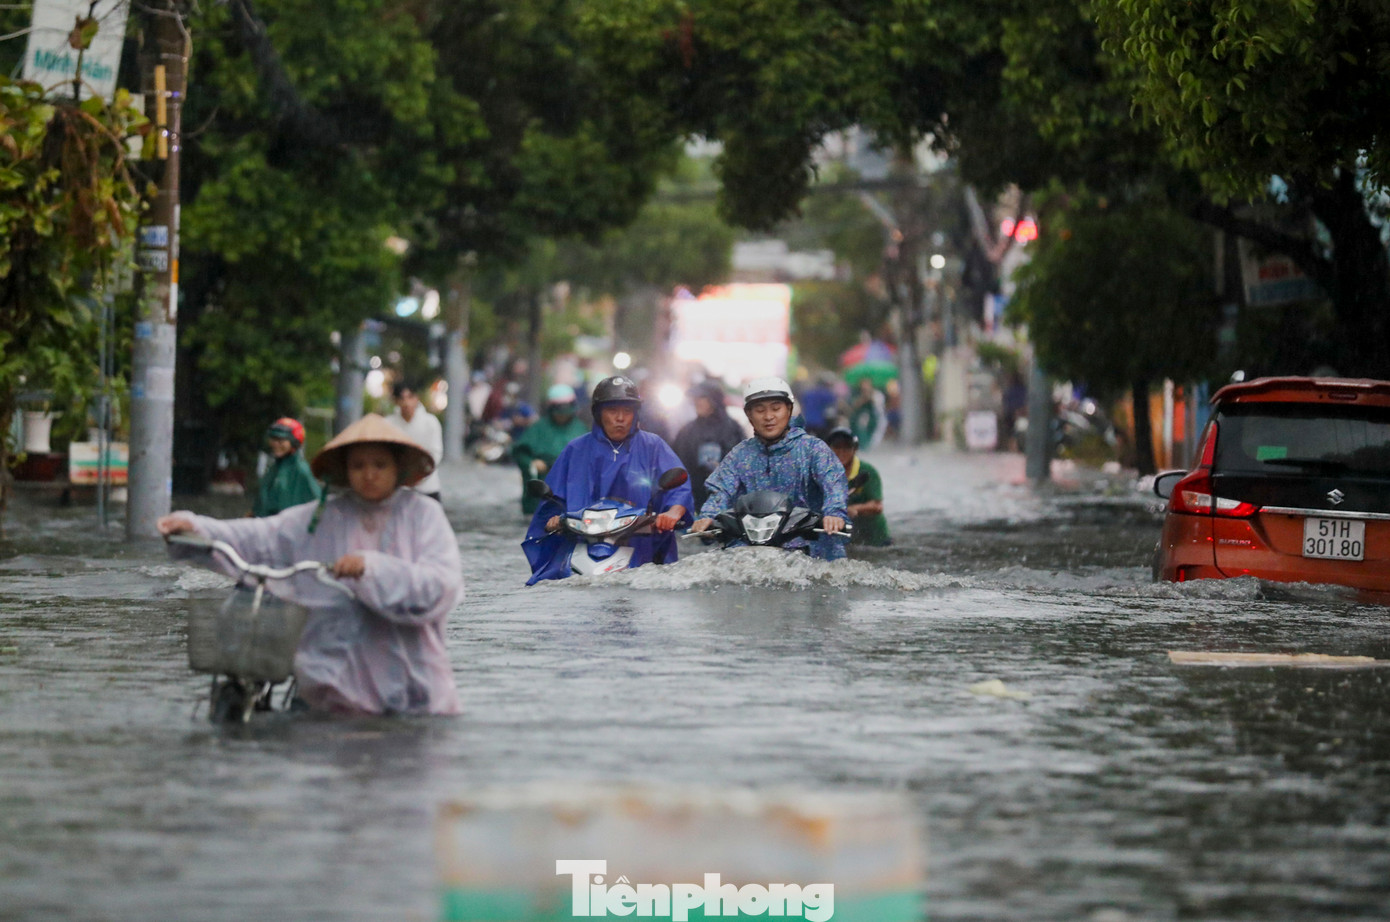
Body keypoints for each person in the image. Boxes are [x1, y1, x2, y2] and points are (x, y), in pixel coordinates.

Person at [157, 414, 464, 716]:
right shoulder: (322, 517)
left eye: (379, 465)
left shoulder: (424, 515)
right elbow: (261, 536)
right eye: (358, 466)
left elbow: (441, 584)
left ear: (398, 468)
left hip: (412, 688)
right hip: (334, 689)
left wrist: (372, 569)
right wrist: (196, 528)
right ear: (345, 470)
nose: (369, 474)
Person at [522, 375, 695, 584]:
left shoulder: (653, 446)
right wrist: (553, 520)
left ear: (635, 414)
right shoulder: (575, 450)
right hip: (581, 540)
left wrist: (672, 513)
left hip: (640, 542)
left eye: (627, 411)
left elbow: (679, 488)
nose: (620, 418)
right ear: (599, 413)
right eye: (612, 411)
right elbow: (552, 499)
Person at [691, 377, 849, 560]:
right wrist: (708, 517)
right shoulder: (740, 454)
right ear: (749, 415)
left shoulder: (813, 449)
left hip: (809, 547)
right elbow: (720, 490)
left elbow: (834, 483)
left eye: (776, 409)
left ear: (789, 410)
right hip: (751, 549)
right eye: (760, 410)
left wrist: (834, 513)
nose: (768, 417)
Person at [511, 384, 589, 514]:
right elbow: (521, 453)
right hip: (542, 487)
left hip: (571, 489)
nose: (562, 416)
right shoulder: (538, 428)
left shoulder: (581, 429)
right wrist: (532, 464)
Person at [672, 380, 745, 509]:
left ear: (714, 400)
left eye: (702, 398)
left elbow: (743, 466)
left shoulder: (733, 429)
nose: (697, 402)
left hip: (727, 504)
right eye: (696, 398)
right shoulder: (687, 432)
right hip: (694, 502)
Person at [825, 427, 891, 547]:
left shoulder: (867, 471)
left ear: (855, 449)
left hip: (875, 538)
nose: (841, 452)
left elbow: (877, 506)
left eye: (847, 447)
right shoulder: (822, 472)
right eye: (837, 447)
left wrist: (854, 509)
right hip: (844, 537)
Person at [387, 380, 444, 502]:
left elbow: (435, 454)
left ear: (417, 398)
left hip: (427, 487)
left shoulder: (430, 422)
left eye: (410, 397)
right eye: (402, 398)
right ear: (396, 401)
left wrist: (419, 473)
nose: (406, 403)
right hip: (397, 488)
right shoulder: (388, 424)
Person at [253, 417, 321, 517]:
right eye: (273, 439)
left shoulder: (301, 470)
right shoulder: (274, 468)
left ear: (294, 443)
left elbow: (318, 505)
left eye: (281, 440)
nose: (275, 444)